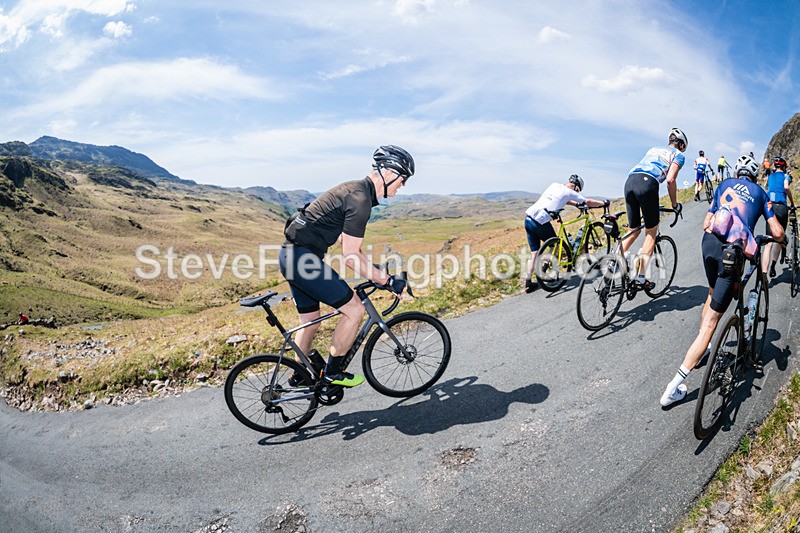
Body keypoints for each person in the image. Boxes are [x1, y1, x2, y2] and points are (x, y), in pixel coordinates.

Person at [280, 145, 414, 387]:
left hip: (290, 257)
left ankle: (300, 374)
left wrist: (375, 273)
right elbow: (350, 257)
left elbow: (349, 243)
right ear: (388, 173)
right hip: (303, 261)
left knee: (311, 320)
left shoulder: (356, 191)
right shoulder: (360, 199)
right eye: (403, 179)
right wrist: (387, 280)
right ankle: (332, 373)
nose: (403, 185)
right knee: (354, 311)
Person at [659, 154, 785, 407]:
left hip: (709, 244)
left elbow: (707, 222)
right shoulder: (761, 194)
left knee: (711, 292)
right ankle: (672, 389)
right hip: (732, 253)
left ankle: (703, 347)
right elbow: (778, 231)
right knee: (712, 323)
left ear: (737, 172)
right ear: (754, 175)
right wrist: (780, 239)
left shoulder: (724, 184)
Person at [621, 128, 685, 291]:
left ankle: (614, 260)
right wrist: (675, 205)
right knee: (651, 232)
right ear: (681, 145)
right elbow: (670, 180)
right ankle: (640, 278)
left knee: (633, 229)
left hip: (630, 181)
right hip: (647, 183)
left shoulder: (654, 149)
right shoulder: (678, 155)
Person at [522, 175, 609, 292]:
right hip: (540, 222)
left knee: (534, 253)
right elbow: (587, 202)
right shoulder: (569, 192)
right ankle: (543, 272)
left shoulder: (554, 185)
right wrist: (603, 203)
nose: (576, 192)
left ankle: (528, 283)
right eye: (577, 190)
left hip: (528, 218)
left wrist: (576, 204)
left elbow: (564, 199)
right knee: (555, 246)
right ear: (576, 188)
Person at [762, 156, 795, 277]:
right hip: (781, 207)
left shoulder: (770, 176)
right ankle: (773, 265)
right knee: (779, 237)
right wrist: (792, 203)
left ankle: (764, 274)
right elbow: (786, 187)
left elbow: (767, 187)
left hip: (770, 207)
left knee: (768, 242)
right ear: (784, 167)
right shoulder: (786, 176)